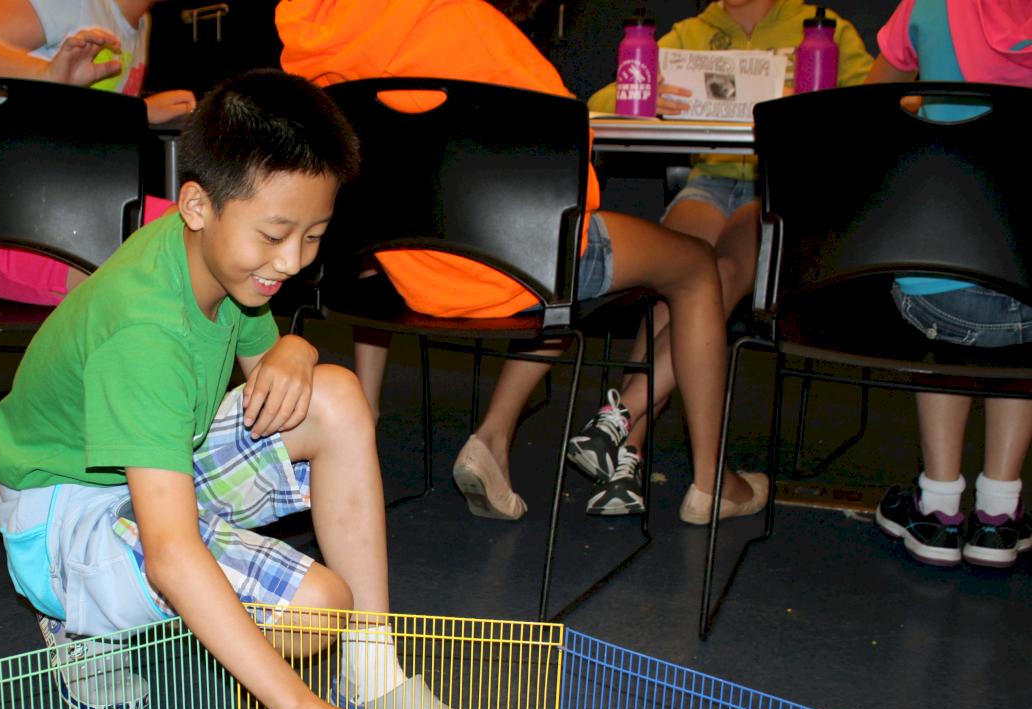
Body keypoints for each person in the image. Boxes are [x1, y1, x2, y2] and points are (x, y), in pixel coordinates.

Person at [0, 69, 487, 709]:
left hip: (144, 464)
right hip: (65, 515)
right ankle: (77, 620)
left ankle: (376, 675)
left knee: (337, 397)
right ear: (197, 205)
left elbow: (271, 361)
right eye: (276, 235)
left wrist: (297, 348)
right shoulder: (145, 330)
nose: (292, 261)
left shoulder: (224, 258)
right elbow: (171, 553)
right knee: (316, 612)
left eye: (313, 234)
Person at [277, 0, 768, 524]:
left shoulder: (309, 38)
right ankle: (713, 484)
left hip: (405, 270)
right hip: (512, 264)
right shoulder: (471, 23)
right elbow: (563, 145)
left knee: (540, 273)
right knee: (694, 267)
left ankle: (453, 431)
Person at [575, 0, 871, 516]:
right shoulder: (692, 32)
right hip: (708, 184)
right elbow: (602, 99)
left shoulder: (823, 31)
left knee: (723, 273)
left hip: (774, 189)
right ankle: (632, 457)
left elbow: (877, 103)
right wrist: (644, 96)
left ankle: (619, 423)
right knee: (671, 285)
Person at [866, 0, 1032, 568]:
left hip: (944, 291)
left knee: (944, 289)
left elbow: (870, 104)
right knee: (1020, 324)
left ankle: (938, 507)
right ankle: (998, 513)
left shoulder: (928, 5)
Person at [0, 0, 196, 305]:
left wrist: (135, 113)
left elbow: (75, 134)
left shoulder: (138, 23)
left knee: (207, 235)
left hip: (70, 223)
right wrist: (45, 76)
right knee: (194, 245)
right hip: (13, 234)